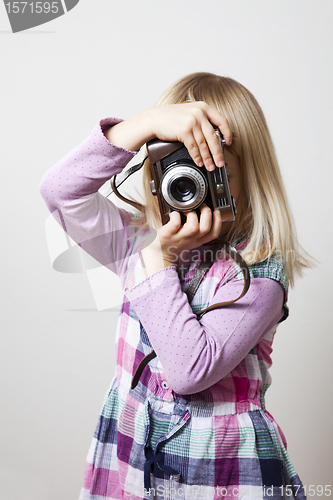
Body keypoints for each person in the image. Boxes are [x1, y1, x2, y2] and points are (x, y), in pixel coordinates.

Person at [39, 72, 311, 500]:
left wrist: (154, 262)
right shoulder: (136, 239)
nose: (193, 187)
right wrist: (142, 126)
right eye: (179, 168)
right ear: (154, 175)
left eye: (212, 172)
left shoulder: (259, 273)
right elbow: (59, 191)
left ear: (248, 180)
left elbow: (190, 371)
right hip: (131, 461)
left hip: (226, 471)